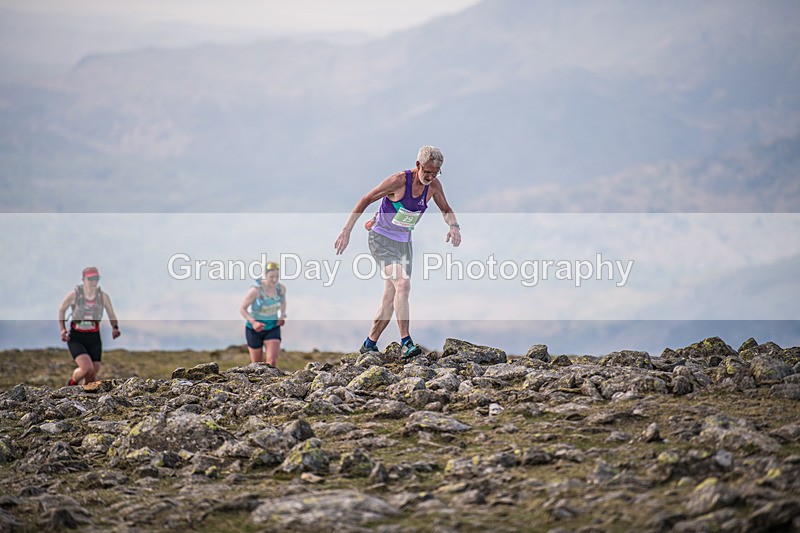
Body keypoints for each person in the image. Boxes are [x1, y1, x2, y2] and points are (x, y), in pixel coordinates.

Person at [335, 145, 461, 357]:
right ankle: (406, 341)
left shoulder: (434, 186)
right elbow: (366, 199)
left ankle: (369, 343)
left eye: (435, 173)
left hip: (404, 243)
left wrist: (454, 227)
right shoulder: (399, 181)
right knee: (403, 283)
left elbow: (446, 209)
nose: (430, 177)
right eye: (427, 171)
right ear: (418, 165)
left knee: (390, 299)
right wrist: (346, 231)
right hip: (381, 239)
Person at [58, 266, 121, 386]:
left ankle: (85, 394)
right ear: (83, 279)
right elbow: (62, 310)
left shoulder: (103, 297)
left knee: (93, 373)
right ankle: (72, 383)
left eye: (96, 279)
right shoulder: (75, 295)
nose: (94, 282)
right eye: (90, 279)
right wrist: (62, 329)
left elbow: (111, 314)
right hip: (77, 337)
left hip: (94, 337)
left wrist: (115, 328)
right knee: (87, 368)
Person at [239, 261, 287, 366]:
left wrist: (282, 315)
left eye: (277, 277)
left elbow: (283, 302)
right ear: (265, 275)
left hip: (272, 327)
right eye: (271, 277)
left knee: (272, 362)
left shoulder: (281, 289)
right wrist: (254, 322)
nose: (274, 280)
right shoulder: (255, 291)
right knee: (257, 365)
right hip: (254, 330)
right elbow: (242, 309)